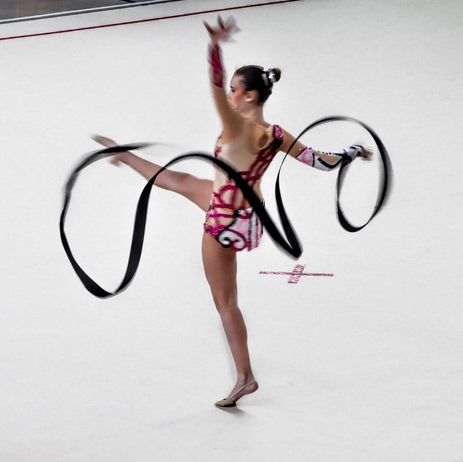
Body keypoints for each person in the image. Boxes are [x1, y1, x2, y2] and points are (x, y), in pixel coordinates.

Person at [93, 16, 371, 408]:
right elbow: (322, 162)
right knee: (180, 179)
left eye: (235, 90)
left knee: (225, 302)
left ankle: (245, 377)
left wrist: (214, 48)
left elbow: (213, 85)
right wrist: (353, 152)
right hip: (246, 215)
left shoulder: (235, 127)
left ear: (250, 96)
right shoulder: (276, 134)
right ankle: (122, 154)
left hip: (223, 220)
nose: (230, 95)